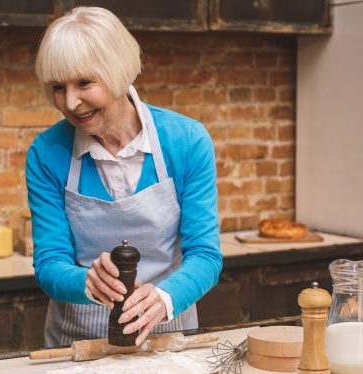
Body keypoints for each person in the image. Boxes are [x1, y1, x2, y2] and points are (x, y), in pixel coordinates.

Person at [25, 6, 222, 347]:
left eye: (84, 82)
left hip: (168, 337)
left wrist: (164, 298)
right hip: (78, 342)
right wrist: (86, 281)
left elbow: (204, 255)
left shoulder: (186, 141)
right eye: (58, 87)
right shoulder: (46, 153)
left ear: (118, 72)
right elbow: (49, 263)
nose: (70, 102)